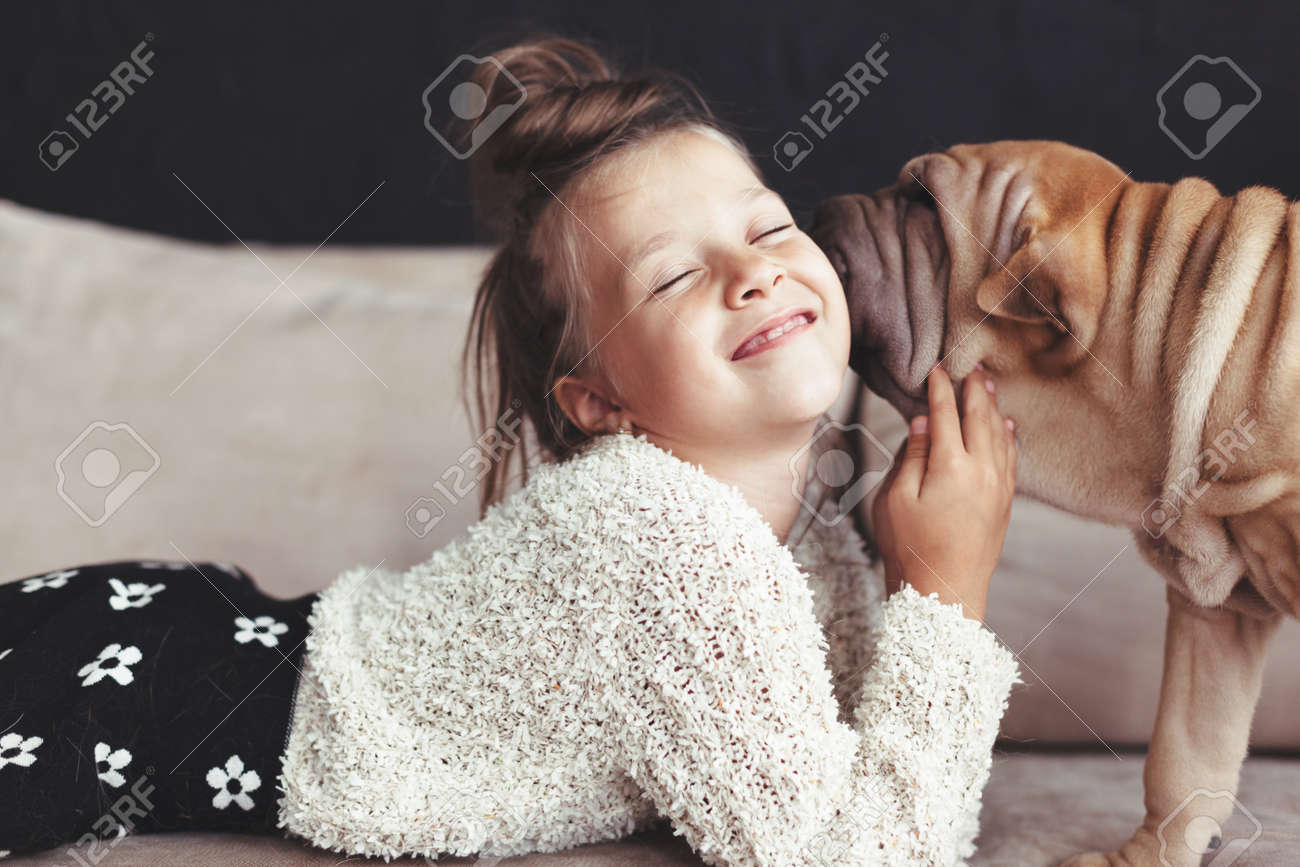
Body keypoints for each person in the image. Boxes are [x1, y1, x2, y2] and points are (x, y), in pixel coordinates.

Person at [0, 32, 1021, 866]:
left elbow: (835, 775)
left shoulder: (809, 535)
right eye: (672, 277)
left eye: (768, 228)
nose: (751, 275)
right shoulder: (654, 535)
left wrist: (910, 577)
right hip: (151, 690)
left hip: (201, 645)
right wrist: (943, 585)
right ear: (600, 403)